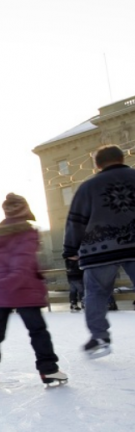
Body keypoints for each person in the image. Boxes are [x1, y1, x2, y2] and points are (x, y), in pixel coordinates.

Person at [0, 193, 67, 385]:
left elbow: (5, 260)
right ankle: (49, 369)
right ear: (25, 209)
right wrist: (12, 282)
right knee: (37, 330)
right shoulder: (26, 232)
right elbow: (22, 261)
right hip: (21, 288)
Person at [64, 144, 135, 357]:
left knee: (96, 292)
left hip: (100, 248)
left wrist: (70, 249)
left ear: (97, 164)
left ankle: (99, 337)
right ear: (122, 158)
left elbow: (76, 220)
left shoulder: (89, 187)